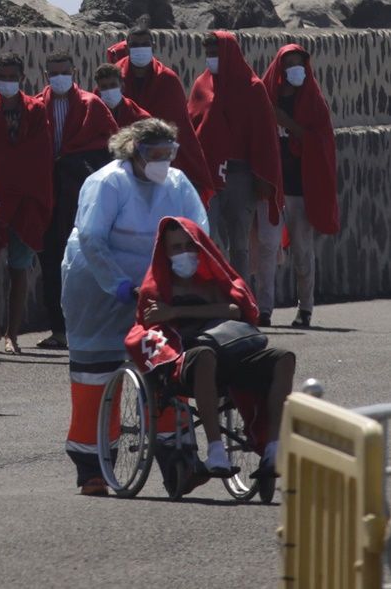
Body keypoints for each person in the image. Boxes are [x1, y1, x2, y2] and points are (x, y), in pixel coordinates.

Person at [60, 119, 208, 495]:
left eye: (168, 154)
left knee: (166, 366)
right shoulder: (108, 182)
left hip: (155, 283)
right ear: (134, 152)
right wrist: (118, 285)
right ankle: (92, 467)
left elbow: (198, 230)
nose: (162, 161)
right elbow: (92, 237)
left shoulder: (177, 183)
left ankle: (180, 462)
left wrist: (189, 275)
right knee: (96, 372)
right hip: (97, 281)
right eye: (153, 154)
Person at [127, 216, 296, 480]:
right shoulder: (157, 287)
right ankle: (216, 450)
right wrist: (193, 312)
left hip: (229, 352)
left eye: (189, 246)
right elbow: (150, 323)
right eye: (176, 248)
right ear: (166, 252)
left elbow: (233, 310)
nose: (184, 253)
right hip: (184, 359)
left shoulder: (210, 282)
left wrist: (175, 311)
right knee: (205, 356)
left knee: (283, 358)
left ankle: (273, 448)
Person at [188, 31, 283, 315]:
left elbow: (264, 135)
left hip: (241, 176)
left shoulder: (252, 87)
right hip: (209, 175)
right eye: (207, 53)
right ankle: (214, 301)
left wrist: (264, 177)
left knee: (239, 243)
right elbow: (193, 123)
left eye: (216, 52)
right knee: (210, 237)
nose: (211, 58)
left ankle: (242, 301)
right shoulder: (201, 84)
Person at [0, 53, 52, 354]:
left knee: (19, 269)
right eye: (1, 76)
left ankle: (12, 334)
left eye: (11, 76)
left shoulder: (36, 109)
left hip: (26, 201)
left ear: (22, 79)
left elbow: (37, 155)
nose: (6, 81)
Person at [37, 50, 119, 350]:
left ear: (73, 72)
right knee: (51, 260)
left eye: (64, 71)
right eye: (53, 72)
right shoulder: (36, 106)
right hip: (49, 194)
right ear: (46, 75)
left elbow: (111, 148)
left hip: (81, 194)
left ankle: (94, 325)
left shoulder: (91, 106)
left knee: (88, 259)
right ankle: (58, 329)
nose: (59, 77)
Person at [258, 44, 340, 328]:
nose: (296, 69)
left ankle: (305, 308)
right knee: (267, 249)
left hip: (300, 189)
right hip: (272, 188)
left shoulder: (313, 102)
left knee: (303, 251)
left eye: (300, 63)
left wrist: (288, 123)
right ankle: (264, 309)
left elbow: (321, 142)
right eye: (290, 63)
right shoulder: (268, 99)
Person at [106, 22, 214, 202]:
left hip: (159, 165)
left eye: (144, 44)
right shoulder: (113, 77)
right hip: (121, 164)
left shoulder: (167, 79)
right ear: (128, 46)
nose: (140, 49)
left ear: (153, 46)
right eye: (135, 45)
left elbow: (181, 128)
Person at [94, 63, 152, 127]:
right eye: (104, 87)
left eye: (113, 85)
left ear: (122, 87)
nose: (109, 90)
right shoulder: (93, 116)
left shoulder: (140, 118)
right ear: (99, 91)